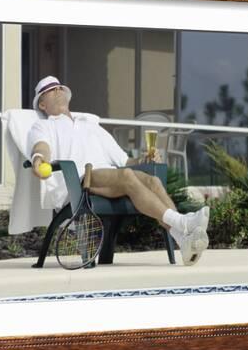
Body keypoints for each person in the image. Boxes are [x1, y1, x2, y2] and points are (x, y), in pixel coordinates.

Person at [27, 75, 210, 266]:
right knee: (126, 175)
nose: (58, 91)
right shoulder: (43, 126)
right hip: (81, 180)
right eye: (51, 90)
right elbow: (41, 148)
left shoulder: (90, 125)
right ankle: (183, 223)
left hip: (111, 177)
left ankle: (183, 240)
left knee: (152, 181)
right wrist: (39, 160)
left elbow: (124, 160)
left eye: (59, 88)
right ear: (42, 104)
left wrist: (143, 159)